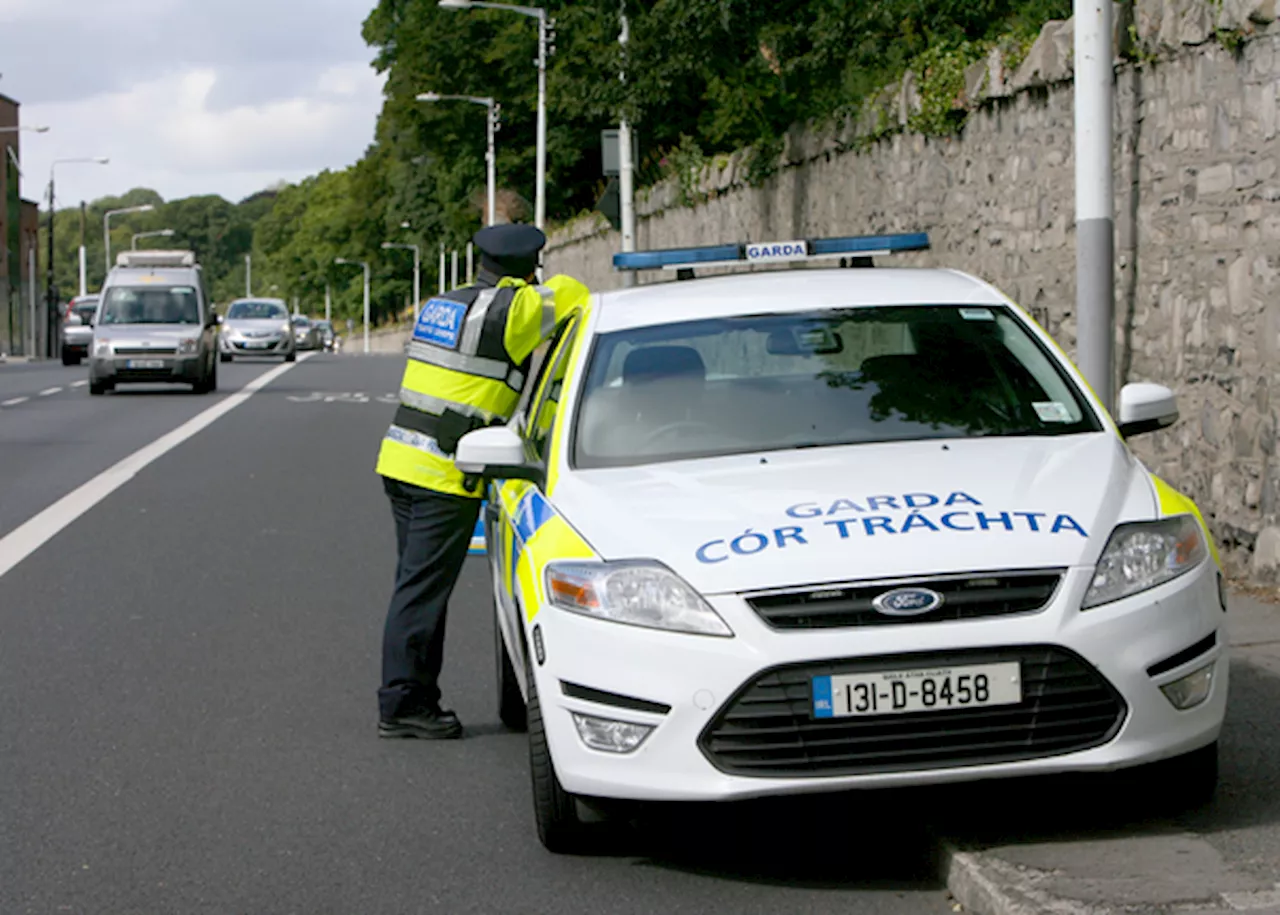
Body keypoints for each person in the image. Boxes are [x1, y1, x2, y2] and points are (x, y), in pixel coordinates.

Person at [374, 223, 590, 739]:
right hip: (443, 473)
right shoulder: (515, 311)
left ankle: (411, 697)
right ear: (527, 268)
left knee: (413, 586)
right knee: (421, 593)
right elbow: (577, 297)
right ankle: (403, 704)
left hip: (401, 460)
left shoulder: (442, 305)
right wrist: (535, 285)